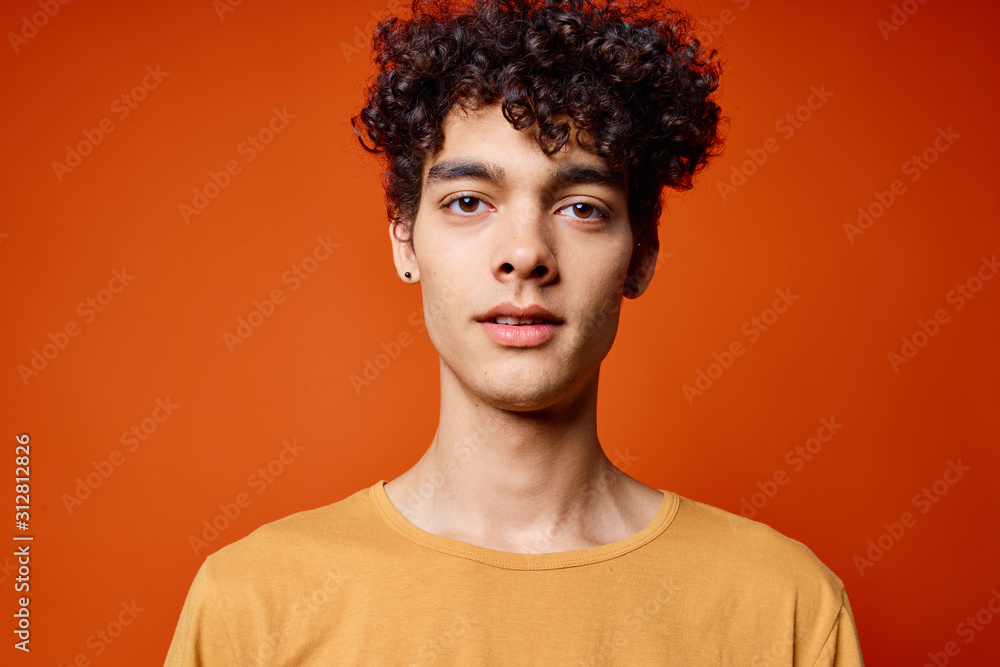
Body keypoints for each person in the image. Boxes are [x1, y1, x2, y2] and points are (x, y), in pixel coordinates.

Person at [165, 0, 865, 664]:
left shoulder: (785, 609)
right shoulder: (251, 606)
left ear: (641, 253)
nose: (525, 251)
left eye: (581, 207)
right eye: (469, 202)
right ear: (405, 240)